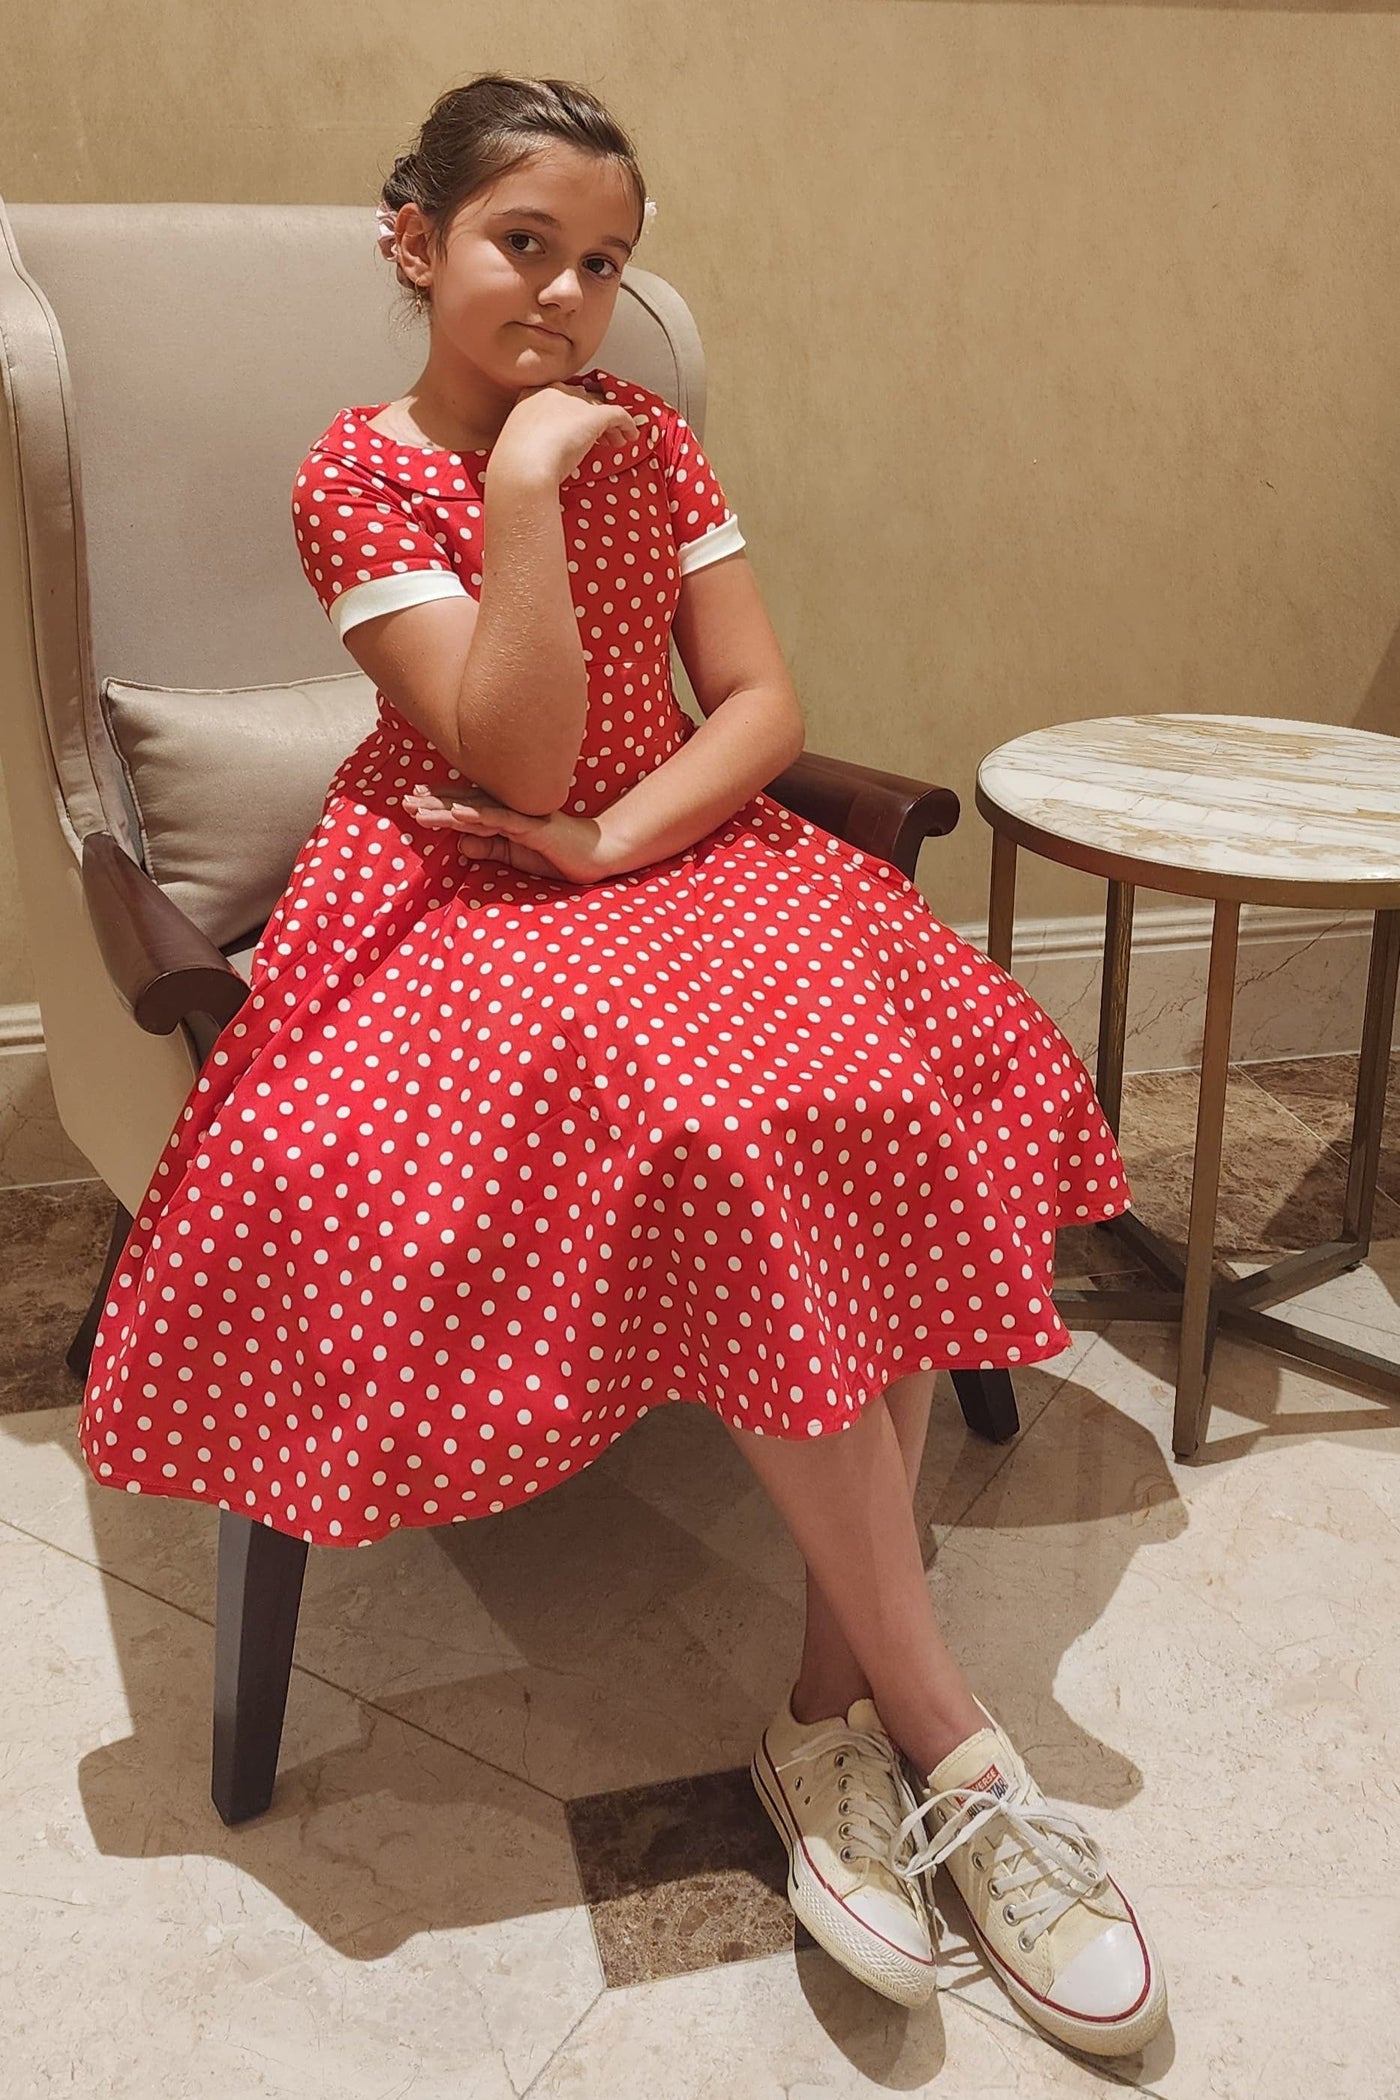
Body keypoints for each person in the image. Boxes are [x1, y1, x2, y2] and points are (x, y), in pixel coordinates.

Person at [79, 72, 1167, 2058]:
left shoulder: (658, 439)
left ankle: (838, 1722)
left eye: (604, 264)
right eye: (524, 247)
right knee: (734, 1128)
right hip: (470, 893)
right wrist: (518, 498)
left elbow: (758, 704)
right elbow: (497, 754)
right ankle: (956, 1748)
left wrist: (624, 836)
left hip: (656, 845)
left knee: (861, 1087)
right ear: (415, 242)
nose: (568, 297)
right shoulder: (362, 470)